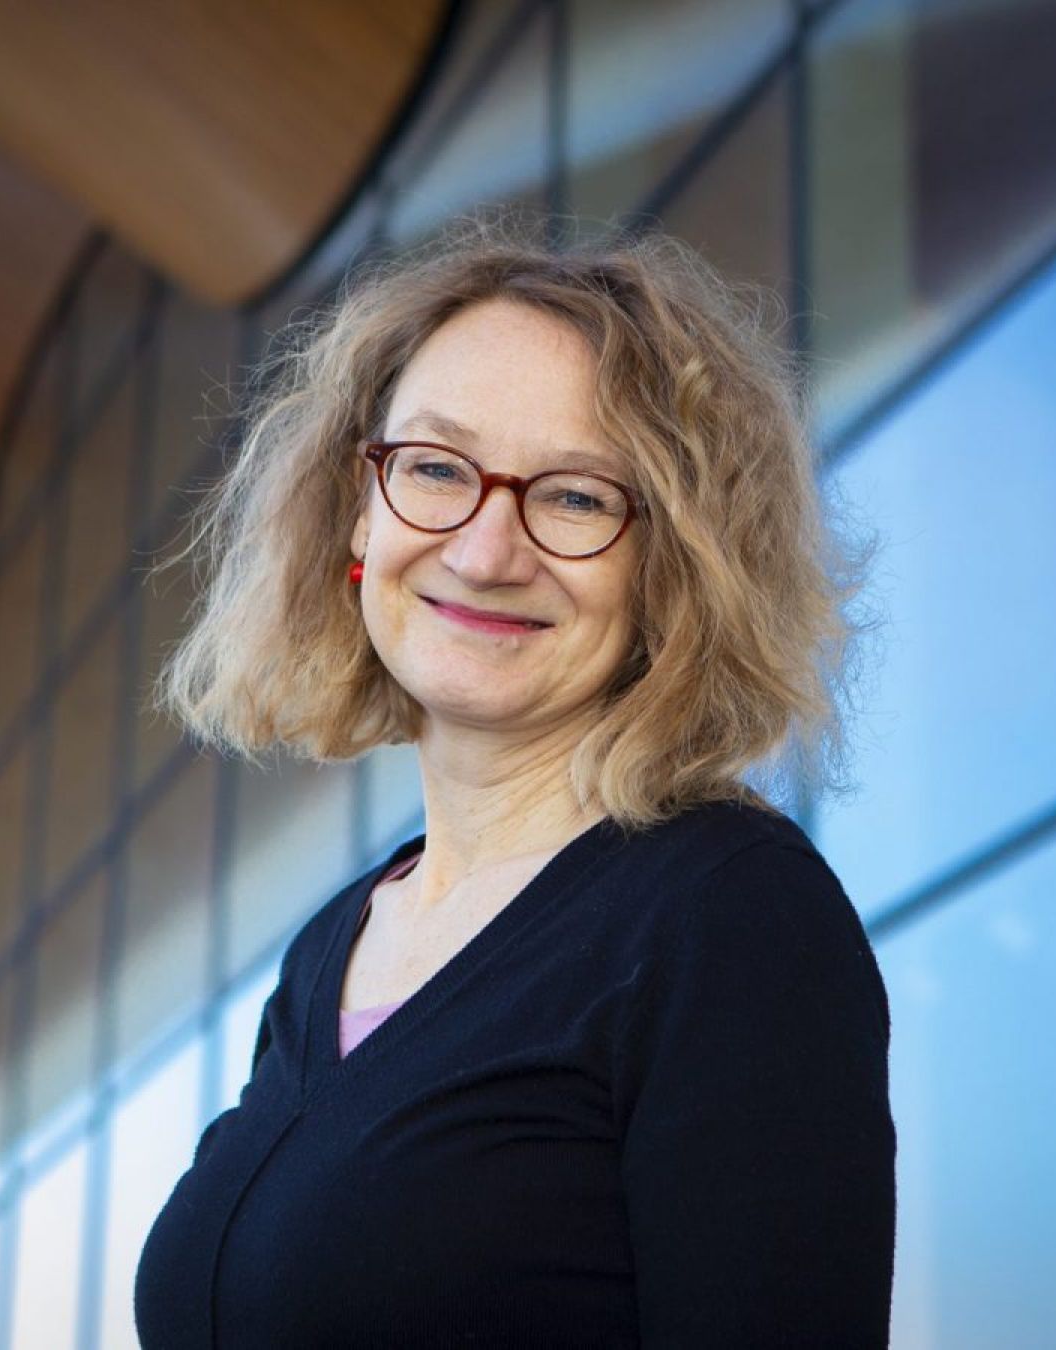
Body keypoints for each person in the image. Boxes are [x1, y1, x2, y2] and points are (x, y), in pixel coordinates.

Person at [134, 215, 895, 1348]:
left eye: (578, 497)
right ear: (359, 508)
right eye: (435, 468)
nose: (487, 550)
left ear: (675, 568)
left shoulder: (727, 917)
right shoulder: (330, 951)